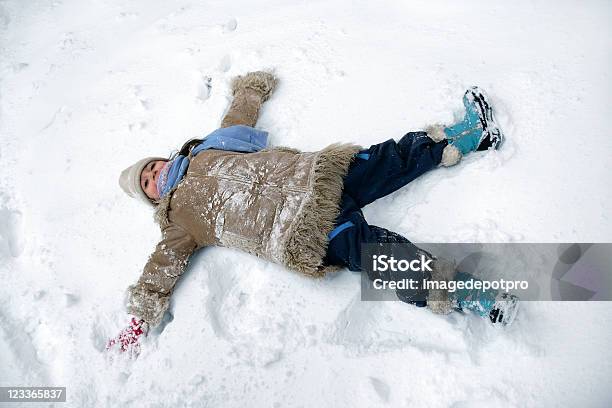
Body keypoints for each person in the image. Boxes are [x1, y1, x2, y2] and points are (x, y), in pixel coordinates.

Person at [106, 71, 517, 356]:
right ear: (152, 199)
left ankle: (469, 135)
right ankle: (472, 295)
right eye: (146, 184)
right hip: (300, 232)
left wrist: (250, 89)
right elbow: (162, 266)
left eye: (151, 168)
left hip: (316, 178)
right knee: (381, 256)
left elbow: (236, 119)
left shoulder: (206, 150)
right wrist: (140, 315)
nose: (154, 176)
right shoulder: (177, 219)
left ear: (160, 159)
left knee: (384, 158)